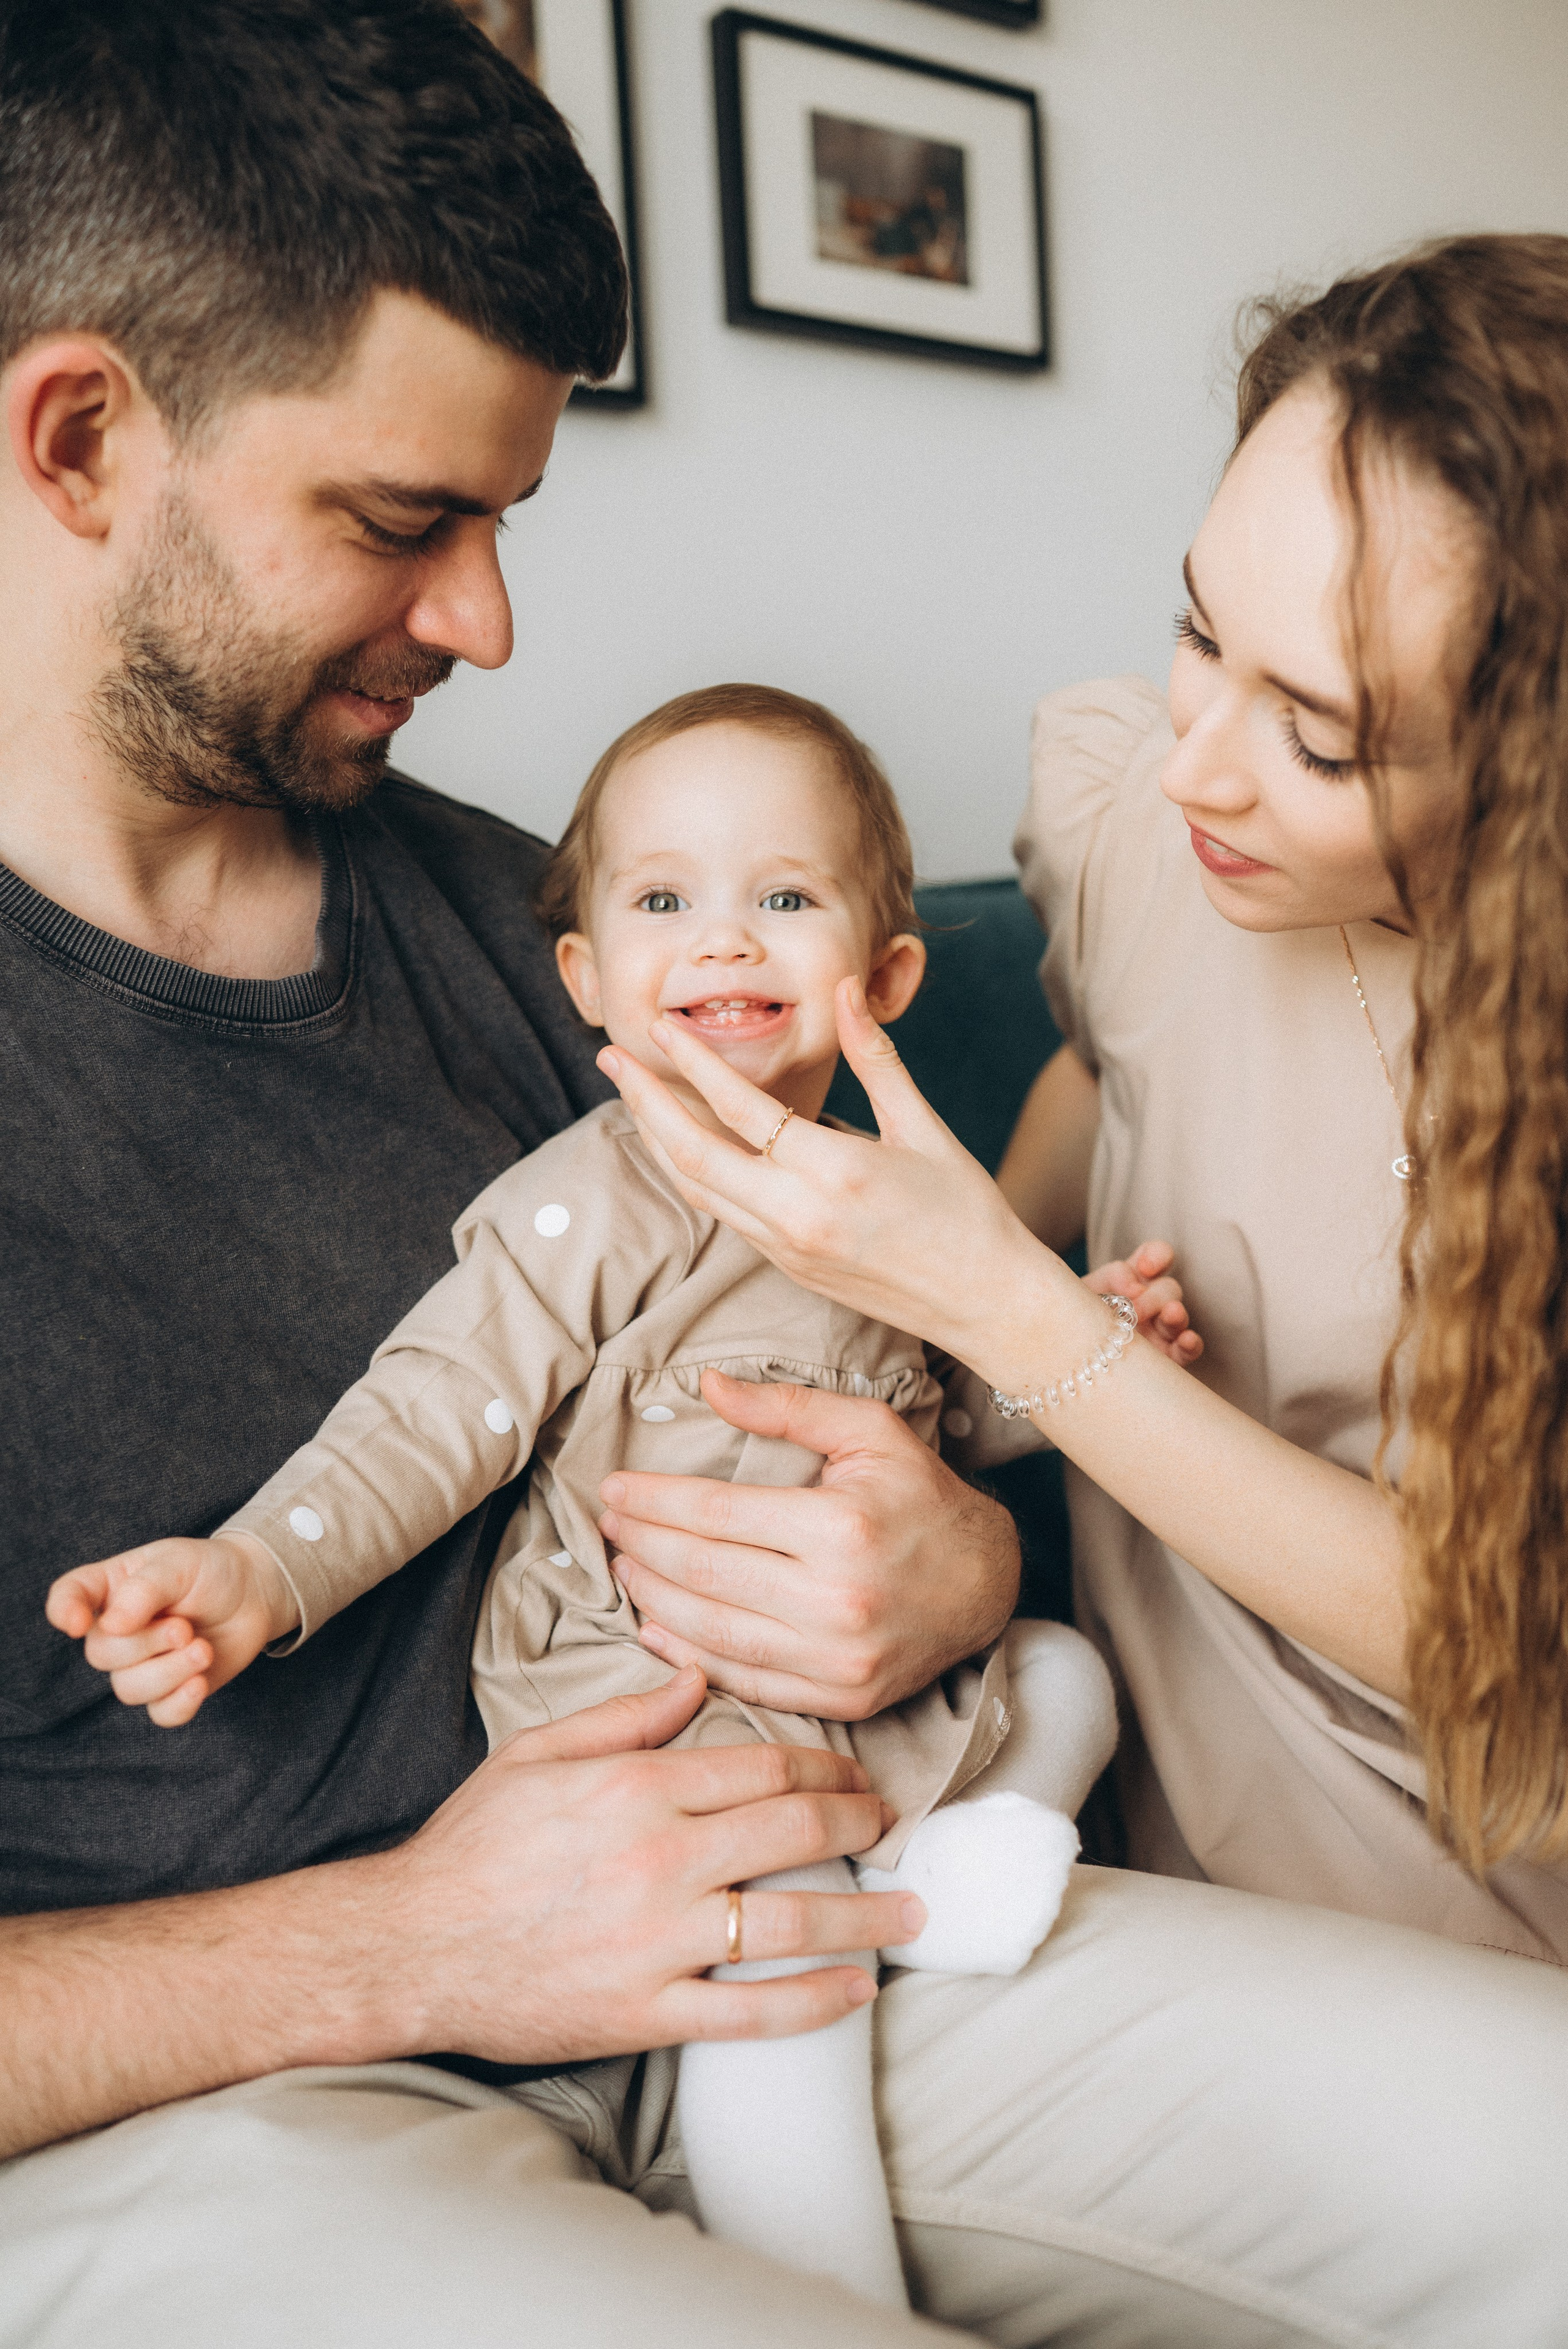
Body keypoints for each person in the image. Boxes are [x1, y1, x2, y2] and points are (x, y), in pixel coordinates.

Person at [3, 2, 1566, 2332]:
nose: (493, 624)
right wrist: (399, 1937)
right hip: (249, 2081)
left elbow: (913, 1330)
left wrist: (949, 1554)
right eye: (404, 520)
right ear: (77, 433)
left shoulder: (571, 928)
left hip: (825, 1882)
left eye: (508, 521)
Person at [46, 678, 1150, 2306]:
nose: (724, 941)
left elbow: (943, 1404)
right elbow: (432, 1418)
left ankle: (953, 1876)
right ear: (591, 979)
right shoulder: (593, 1197)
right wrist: (257, 1573)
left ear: (890, 975)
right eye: (665, 903)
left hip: (870, 1682)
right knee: (780, 1969)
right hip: (660, 1689)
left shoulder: (907, 1196)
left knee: (1072, 1671)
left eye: (784, 899)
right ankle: (825, 2287)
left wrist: (1088, 1351)